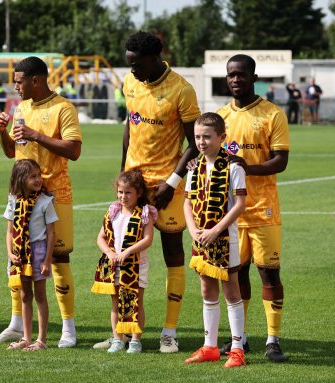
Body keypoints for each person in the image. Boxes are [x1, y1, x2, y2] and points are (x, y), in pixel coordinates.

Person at [115, 31, 201, 353]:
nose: (132, 70)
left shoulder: (182, 89)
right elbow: (130, 125)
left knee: (172, 254)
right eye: (129, 65)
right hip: (134, 184)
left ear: (155, 58)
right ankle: (123, 332)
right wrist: (123, 174)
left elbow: (195, 145)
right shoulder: (130, 82)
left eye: (136, 64)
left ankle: (169, 332)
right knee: (126, 258)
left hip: (167, 186)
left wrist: (173, 182)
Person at [0, 56, 82, 348]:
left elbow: (74, 150)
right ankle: (17, 324)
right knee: (18, 258)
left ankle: (68, 328)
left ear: (35, 80)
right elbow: (11, 152)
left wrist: (35, 134)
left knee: (57, 259)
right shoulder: (21, 108)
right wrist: (2, 133)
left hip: (56, 194)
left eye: (18, 81)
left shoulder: (63, 108)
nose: (15, 87)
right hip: (21, 198)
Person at [217, 54, 290, 362]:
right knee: (236, 275)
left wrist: (247, 168)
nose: (236, 80)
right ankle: (241, 338)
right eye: (231, 75)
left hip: (264, 210)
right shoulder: (221, 117)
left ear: (253, 76)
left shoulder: (272, 114)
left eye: (241, 75)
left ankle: (273, 339)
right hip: (232, 213)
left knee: (269, 275)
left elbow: (281, 161)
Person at [183, 113, 247, 368]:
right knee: (206, 289)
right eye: (198, 137)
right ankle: (210, 346)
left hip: (224, 238)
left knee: (231, 290)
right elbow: (187, 201)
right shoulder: (195, 166)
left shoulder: (234, 166)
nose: (201, 141)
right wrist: (191, 228)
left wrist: (216, 229)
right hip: (200, 238)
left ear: (222, 138)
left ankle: (237, 349)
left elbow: (240, 204)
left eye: (207, 137)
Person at [92, 169, 156, 353]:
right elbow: (101, 237)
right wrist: (110, 253)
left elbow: (148, 239)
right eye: (120, 192)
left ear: (138, 193)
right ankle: (118, 339)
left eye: (128, 192)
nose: (123, 196)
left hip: (136, 265)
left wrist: (128, 252)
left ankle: (136, 340)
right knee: (116, 302)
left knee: (136, 301)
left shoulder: (144, 213)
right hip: (115, 266)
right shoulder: (113, 211)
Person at [4, 159, 57, 351]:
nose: (38, 179)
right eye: (32, 176)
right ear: (20, 179)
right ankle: (26, 338)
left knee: (40, 296)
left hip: (38, 251)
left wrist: (47, 259)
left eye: (38, 175)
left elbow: (51, 233)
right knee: (25, 296)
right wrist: (10, 253)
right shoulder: (13, 200)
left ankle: (41, 340)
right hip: (19, 254)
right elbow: (10, 232)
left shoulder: (45, 201)